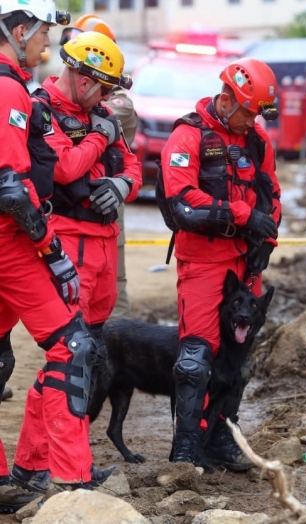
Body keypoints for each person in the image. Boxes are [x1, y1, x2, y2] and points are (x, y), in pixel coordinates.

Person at [7, 29, 142, 498]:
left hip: (103, 246)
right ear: (83, 78)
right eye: (104, 87)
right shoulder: (40, 109)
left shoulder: (100, 113)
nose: (108, 98)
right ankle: (47, 468)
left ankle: (35, 468)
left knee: (83, 355)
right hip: (67, 244)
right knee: (70, 357)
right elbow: (63, 168)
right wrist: (100, 141)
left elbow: (133, 163)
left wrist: (122, 187)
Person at [0, 0, 108, 512]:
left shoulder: (18, 90)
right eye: (44, 34)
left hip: (13, 239)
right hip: (9, 243)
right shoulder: (7, 90)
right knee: (73, 348)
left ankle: (6, 480)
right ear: (19, 30)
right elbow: (12, 190)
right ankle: (71, 483)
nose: (48, 45)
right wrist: (52, 250)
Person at [160, 57, 282, 470]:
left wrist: (267, 238)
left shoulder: (257, 140)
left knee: (238, 360)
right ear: (227, 99)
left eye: (257, 114)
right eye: (248, 111)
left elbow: (272, 196)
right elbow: (181, 198)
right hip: (204, 258)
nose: (252, 121)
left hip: (246, 260)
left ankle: (221, 439)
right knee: (196, 359)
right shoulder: (188, 135)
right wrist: (244, 216)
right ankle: (186, 448)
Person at [59, 14, 139, 319]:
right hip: (70, 214)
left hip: (106, 205)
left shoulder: (115, 102)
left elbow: (112, 131)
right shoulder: (64, 101)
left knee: (112, 289)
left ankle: (113, 354)